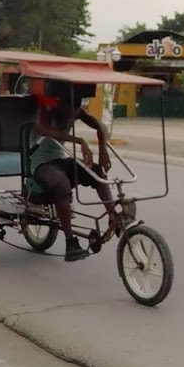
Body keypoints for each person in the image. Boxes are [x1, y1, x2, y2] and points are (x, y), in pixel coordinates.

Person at [26, 79, 120, 262]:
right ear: (60, 103)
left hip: (60, 159)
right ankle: (71, 242)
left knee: (97, 172)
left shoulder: (75, 110)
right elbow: (45, 130)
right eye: (69, 108)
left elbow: (100, 126)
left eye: (76, 109)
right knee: (62, 184)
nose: (72, 114)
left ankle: (113, 216)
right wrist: (80, 141)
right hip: (40, 163)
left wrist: (102, 148)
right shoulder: (45, 111)